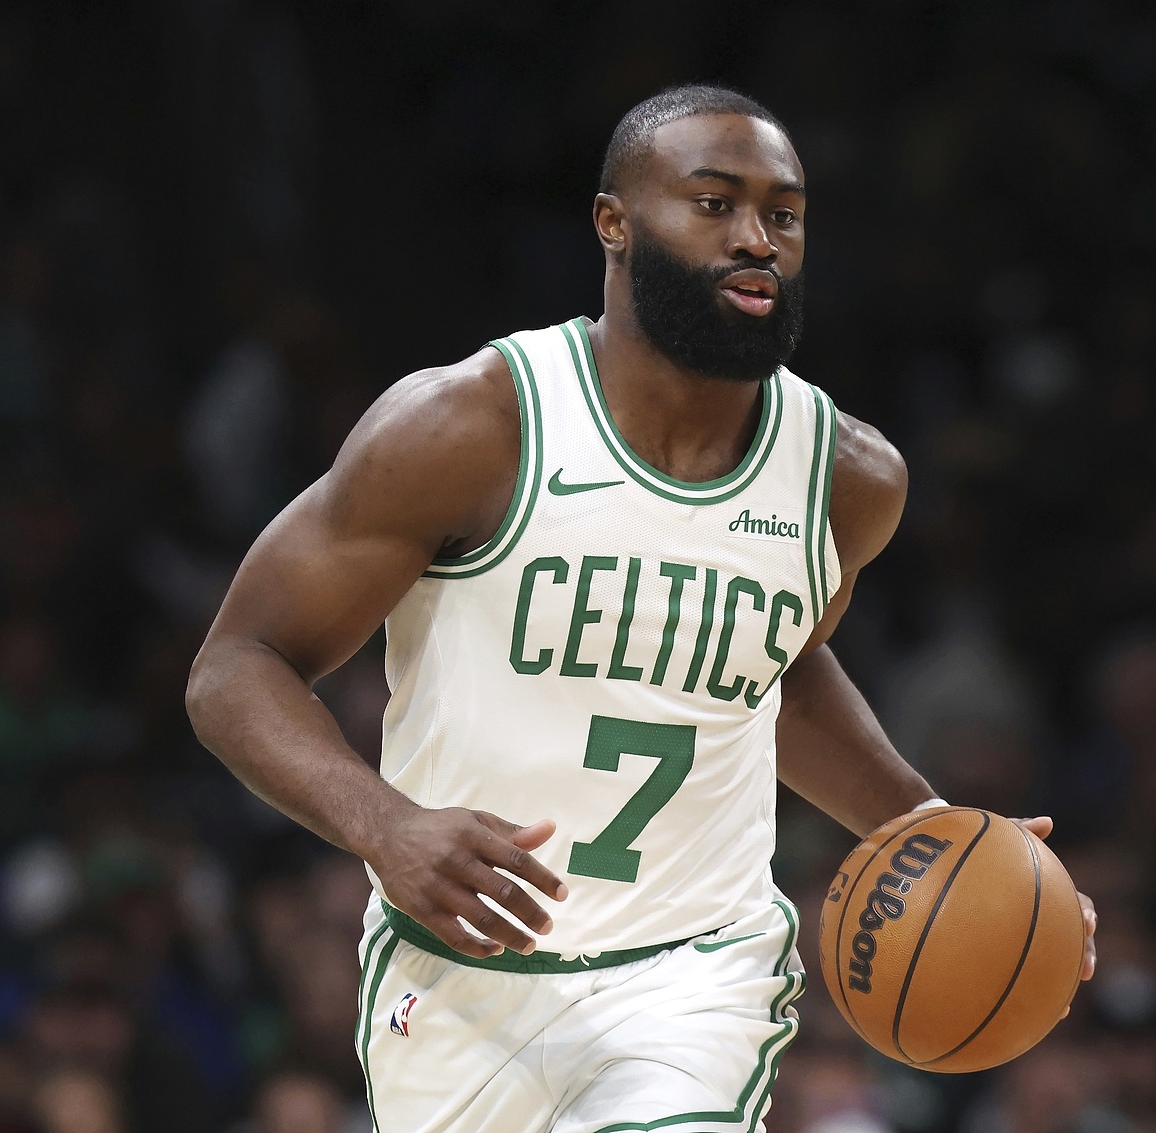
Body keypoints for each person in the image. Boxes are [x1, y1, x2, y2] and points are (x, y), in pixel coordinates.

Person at [187, 84, 1098, 1133]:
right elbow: (236, 665)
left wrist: (942, 840)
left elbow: (769, 671)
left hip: (693, 976)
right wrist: (385, 825)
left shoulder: (845, 479)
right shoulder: (470, 427)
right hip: (457, 982)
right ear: (612, 224)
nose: (755, 238)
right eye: (714, 204)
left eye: (783, 214)